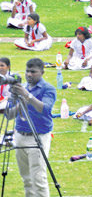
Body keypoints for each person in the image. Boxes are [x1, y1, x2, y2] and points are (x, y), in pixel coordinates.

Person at [5, 58, 56, 197]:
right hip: (20, 135)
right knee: (27, 178)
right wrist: (11, 99)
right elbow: (10, 115)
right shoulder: (23, 88)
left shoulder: (48, 89)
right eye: (27, 71)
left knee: (38, 179)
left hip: (38, 136)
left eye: (33, 72)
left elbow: (44, 109)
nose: (29, 74)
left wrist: (27, 95)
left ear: (42, 72)